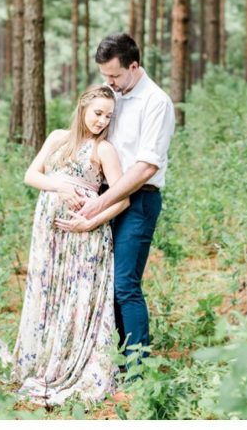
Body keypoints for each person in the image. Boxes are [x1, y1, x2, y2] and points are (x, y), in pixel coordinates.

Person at [0, 85, 129, 407]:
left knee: (77, 296)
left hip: (85, 234)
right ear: (82, 107)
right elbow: (31, 175)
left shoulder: (104, 150)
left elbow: (122, 199)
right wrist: (59, 186)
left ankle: (74, 363)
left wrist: (91, 222)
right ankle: (45, 358)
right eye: (97, 113)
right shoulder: (58, 138)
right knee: (49, 291)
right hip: (50, 232)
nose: (102, 121)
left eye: (108, 116)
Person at [78, 33, 175, 361]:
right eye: (105, 75)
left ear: (134, 66)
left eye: (115, 75)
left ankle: (137, 371)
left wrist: (102, 202)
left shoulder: (156, 102)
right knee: (103, 283)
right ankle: (112, 363)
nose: (110, 82)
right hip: (104, 195)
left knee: (124, 285)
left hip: (139, 200)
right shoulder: (112, 95)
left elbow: (146, 166)